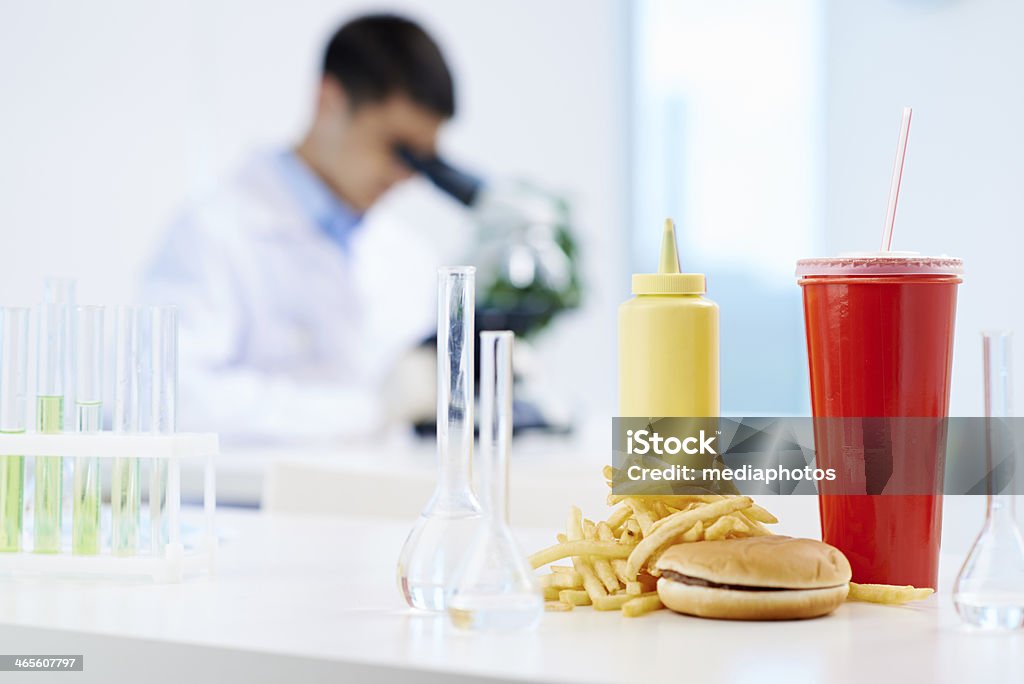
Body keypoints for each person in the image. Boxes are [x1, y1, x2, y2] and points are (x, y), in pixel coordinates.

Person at [142, 14, 454, 438]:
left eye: (424, 159)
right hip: (255, 502)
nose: (407, 175)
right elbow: (168, 398)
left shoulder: (409, 256)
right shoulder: (215, 229)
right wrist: (367, 410)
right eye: (398, 148)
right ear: (329, 101)